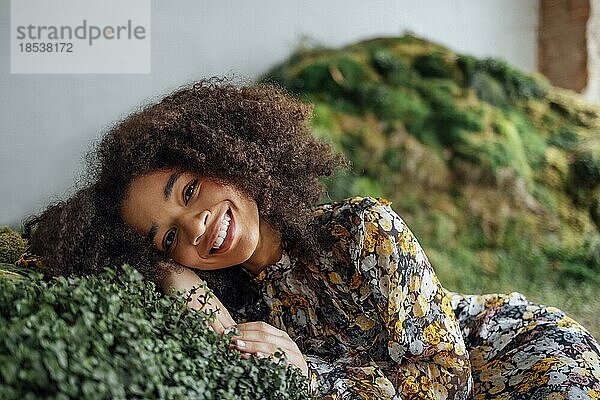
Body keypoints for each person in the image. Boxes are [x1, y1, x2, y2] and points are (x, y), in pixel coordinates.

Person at [23, 78, 600, 399]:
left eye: (190, 189)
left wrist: (308, 374)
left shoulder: (360, 230)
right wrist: (175, 278)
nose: (195, 225)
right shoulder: (232, 303)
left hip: (515, 359)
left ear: (228, 154)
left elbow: (446, 378)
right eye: (169, 236)